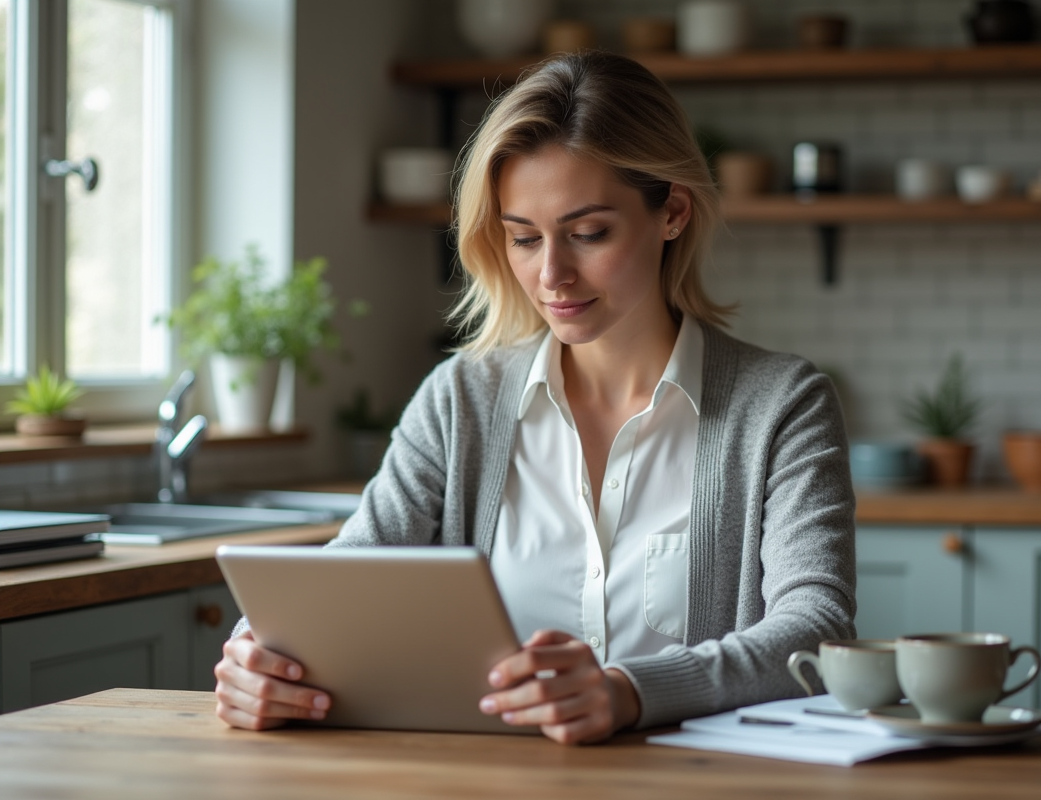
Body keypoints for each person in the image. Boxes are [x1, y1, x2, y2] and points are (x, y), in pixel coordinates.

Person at [214, 50, 856, 745]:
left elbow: (815, 630)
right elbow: (347, 579)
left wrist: (628, 692)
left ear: (671, 212)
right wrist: (259, 655)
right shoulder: (460, 399)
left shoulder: (783, 405)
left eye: (588, 233)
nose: (551, 274)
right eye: (523, 238)